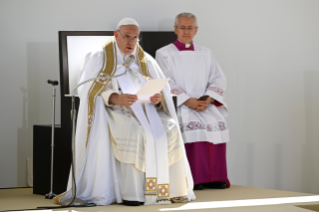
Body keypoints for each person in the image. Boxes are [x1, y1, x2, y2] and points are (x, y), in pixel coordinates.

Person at [53, 18, 195, 206]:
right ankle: (133, 193)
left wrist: (156, 98)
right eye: (127, 37)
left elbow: (160, 89)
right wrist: (114, 98)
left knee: (169, 127)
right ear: (116, 35)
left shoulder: (145, 59)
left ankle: (170, 190)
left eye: (136, 38)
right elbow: (86, 89)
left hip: (146, 110)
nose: (131, 43)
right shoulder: (100, 57)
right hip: (116, 111)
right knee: (135, 131)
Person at [156, 13, 230, 190]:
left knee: (216, 125)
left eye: (190, 28)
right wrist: (187, 101)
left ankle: (216, 177)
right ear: (175, 29)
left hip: (204, 104)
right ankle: (195, 179)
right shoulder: (164, 53)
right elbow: (164, 80)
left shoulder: (206, 53)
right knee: (194, 128)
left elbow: (218, 78)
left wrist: (207, 98)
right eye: (182, 27)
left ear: (196, 30)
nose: (186, 31)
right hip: (182, 104)